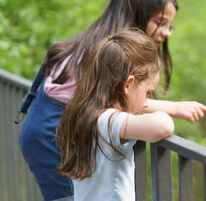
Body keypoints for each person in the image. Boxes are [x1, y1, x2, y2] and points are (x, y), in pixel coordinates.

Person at [19, 0, 206, 201]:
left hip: (50, 129)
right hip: (51, 136)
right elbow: (116, 99)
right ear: (137, 15)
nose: (167, 32)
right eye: (160, 22)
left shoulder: (103, 46)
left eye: (170, 25)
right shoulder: (106, 55)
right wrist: (171, 108)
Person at [57, 30, 174, 201]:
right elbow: (163, 126)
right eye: (148, 93)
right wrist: (156, 111)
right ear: (128, 85)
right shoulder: (110, 120)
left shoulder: (85, 112)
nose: (146, 103)